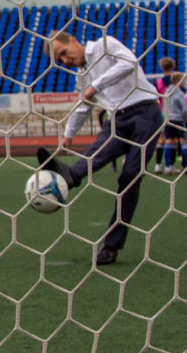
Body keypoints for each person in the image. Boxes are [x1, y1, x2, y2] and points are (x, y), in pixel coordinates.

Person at [35, 31, 163, 266]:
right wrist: (68, 135)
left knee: (129, 178)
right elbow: (84, 106)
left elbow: (129, 63)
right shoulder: (82, 76)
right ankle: (68, 177)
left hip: (145, 113)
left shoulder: (106, 44)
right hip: (118, 120)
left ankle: (111, 247)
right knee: (95, 154)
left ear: (73, 40)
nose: (65, 60)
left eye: (63, 53)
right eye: (60, 60)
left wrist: (95, 85)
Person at [162, 71, 187, 173]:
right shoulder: (179, 93)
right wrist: (185, 118)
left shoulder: (167, 91)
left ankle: (168, 166)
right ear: (178, 81)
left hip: (168, 119)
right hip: (178, 119)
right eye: (183, 80)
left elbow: (164, 106)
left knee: (169, 140)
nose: (184, 82)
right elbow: (184, 109)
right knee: (183, 141)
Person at [153, 57, 177, 172]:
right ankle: (169, 166)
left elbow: (156, 98)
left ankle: (158, 165)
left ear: (162, 68)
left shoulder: (158, 82)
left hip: (162, 111)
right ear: (172, 67)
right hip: (175, 113)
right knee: (172, 139)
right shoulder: (176, 80)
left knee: (161, 138)